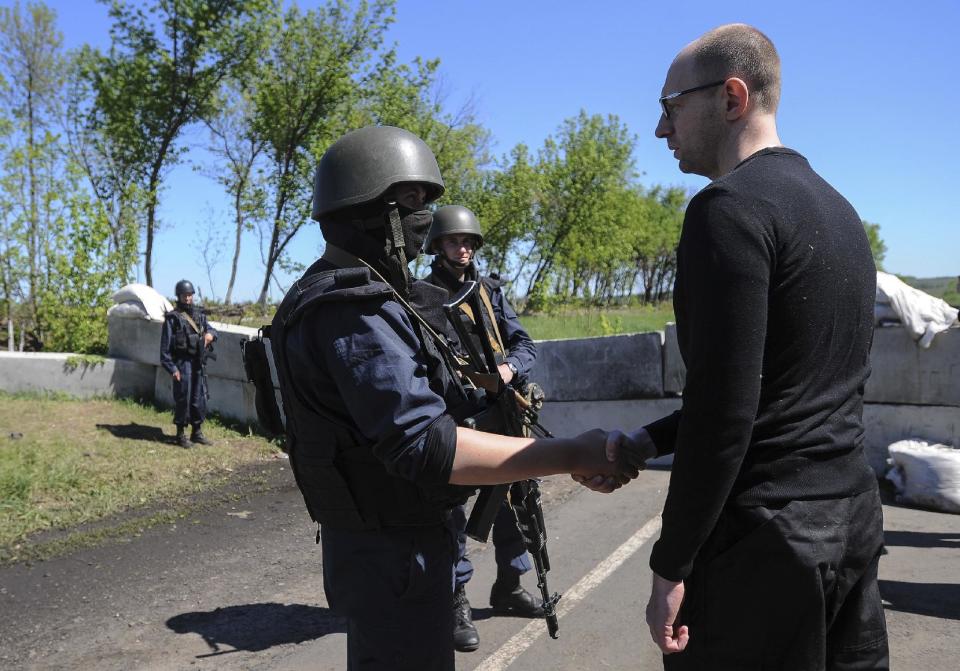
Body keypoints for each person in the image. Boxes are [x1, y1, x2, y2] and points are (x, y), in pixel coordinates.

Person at [269, 125, 634, 671]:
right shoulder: (354, 308)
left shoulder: (350, 293)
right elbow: (424, 445)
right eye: (413, 202)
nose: (426, 220)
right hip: (395, 551)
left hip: (385, 548)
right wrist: (569, 454)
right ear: (372, 209)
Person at [585, 23, 889, 670]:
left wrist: (671, 565)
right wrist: (648, 440)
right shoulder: (840, 213)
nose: (661, 130)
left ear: (731, 98)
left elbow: (727, 410)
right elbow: (787, 390)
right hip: (851, 525)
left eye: (670, 107)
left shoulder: (726, 211)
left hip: (763, 544)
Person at [422, 205, 542, 652]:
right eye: (454, 241)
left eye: (469, 241)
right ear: (437, 245)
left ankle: (509, 585)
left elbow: (524, 343)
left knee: (516, 500)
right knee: (451, 515)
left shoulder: (488, 291)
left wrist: (509, 369)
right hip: (455, 418)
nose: (464, 248)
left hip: (503, 413)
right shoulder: (422, 296)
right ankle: (457, 601)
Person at [160, 280, 217, 448]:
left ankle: (197, 432)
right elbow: (164, 349)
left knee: (199, 397)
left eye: (190, 295)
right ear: (179, 296)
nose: (188, 298)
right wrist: (172, 369)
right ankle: (180, 434)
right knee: (183, 398)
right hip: (182, 363)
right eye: (185, 295)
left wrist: (210, 336)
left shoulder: (200, 315)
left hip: (197, 362)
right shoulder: (173, 318)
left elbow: (213, 330)